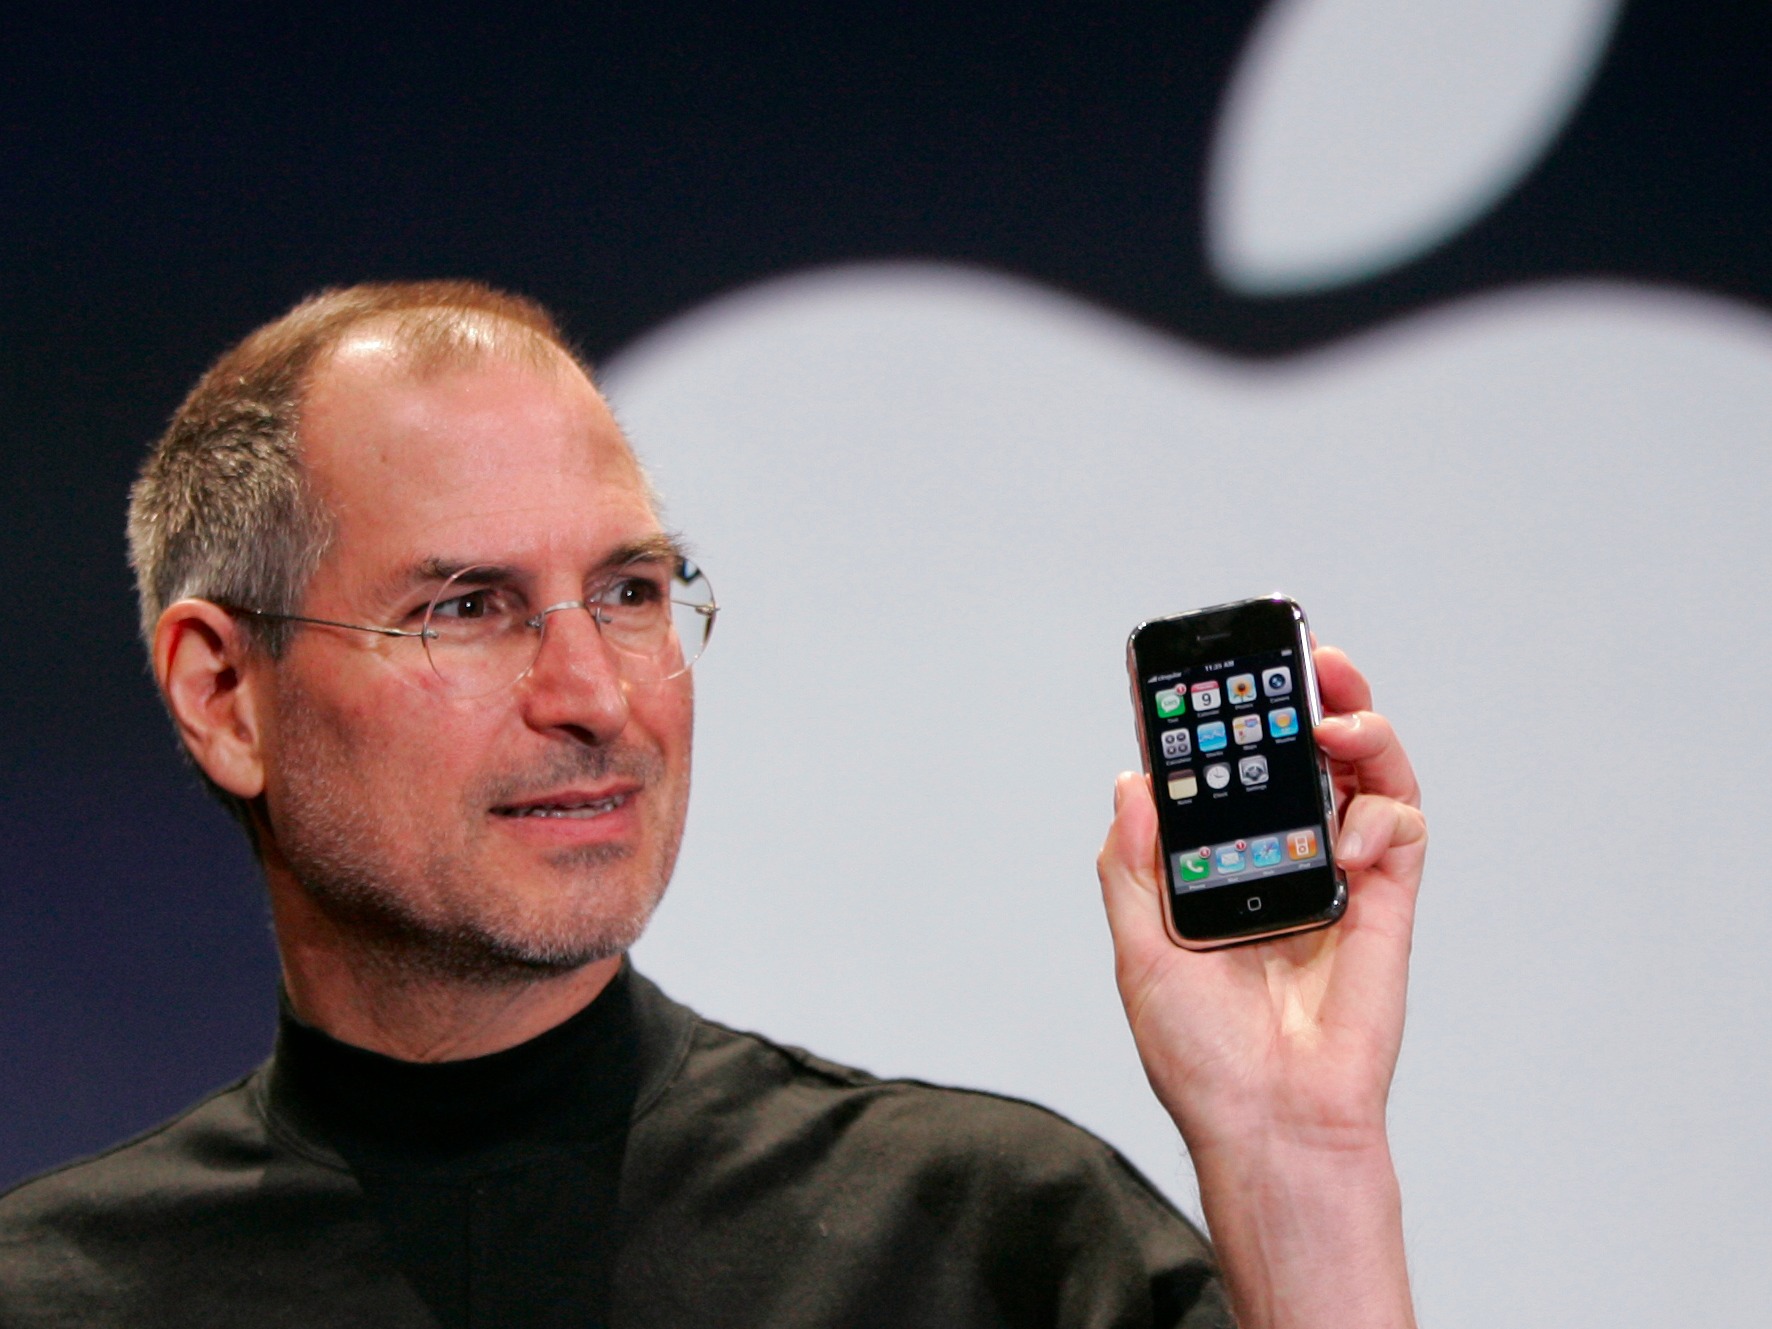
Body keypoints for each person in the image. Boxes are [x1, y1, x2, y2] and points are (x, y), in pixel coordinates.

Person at [0, 281, 1426, 1328]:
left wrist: (1298, 1156)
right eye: (467, 606)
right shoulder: (59, 1294)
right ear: (223, 696)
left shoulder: (986, 1243)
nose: (595, 694)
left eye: (628, 592)